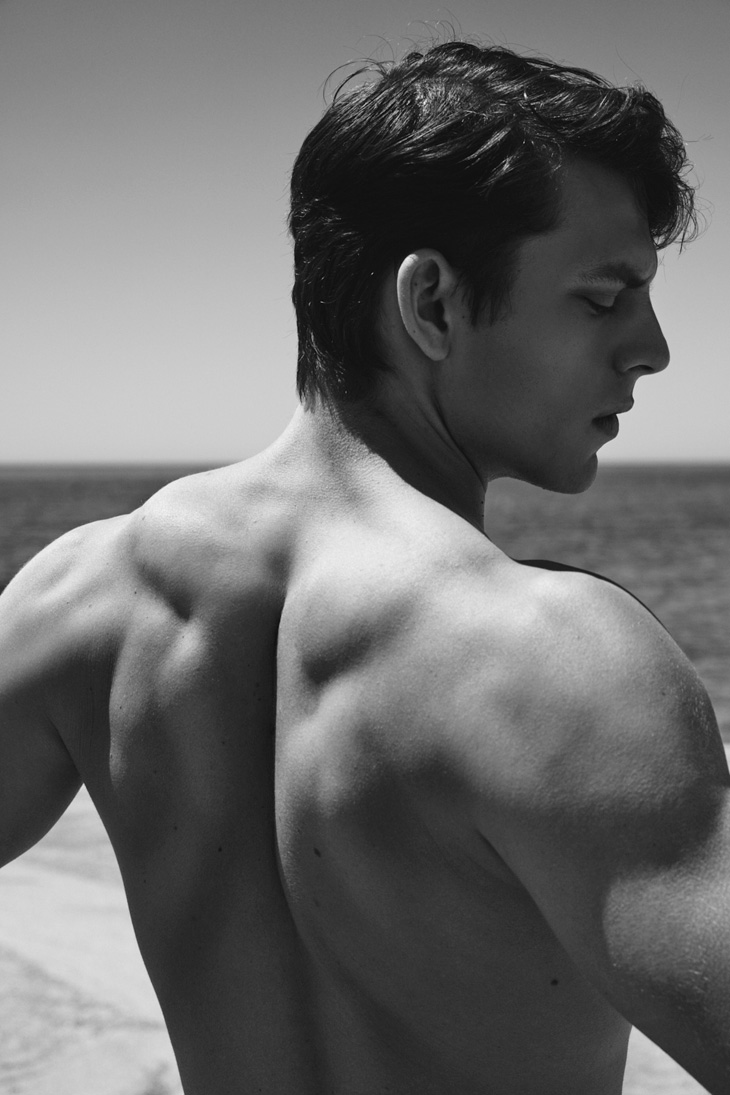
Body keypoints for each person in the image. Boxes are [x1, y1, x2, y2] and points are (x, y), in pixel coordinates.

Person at [0, 37, 727, 1095]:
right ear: (431, 304)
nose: (651, 348)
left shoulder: (81, 596)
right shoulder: (558, 660)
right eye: (602, 296)